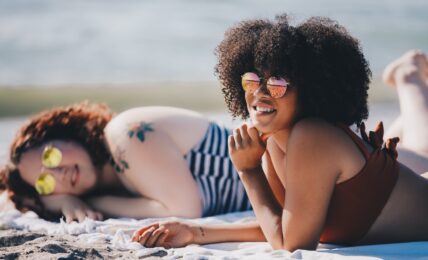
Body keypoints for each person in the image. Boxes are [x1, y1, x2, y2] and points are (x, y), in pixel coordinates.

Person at [132, 15, 428, 251]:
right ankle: (409, 78)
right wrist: (193, 232)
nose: (259, 94)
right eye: (251, 80)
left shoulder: (312, 137)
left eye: (277, 83)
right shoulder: (276, 140)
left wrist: (249, 171)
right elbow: (284, 224)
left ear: (311, 90)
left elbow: (292, 244)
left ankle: (409, 77)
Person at [0, 103, 252, 222]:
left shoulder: (124, 136)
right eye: (44, 183)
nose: (58, 173)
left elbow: (184, 211)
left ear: (66, 135)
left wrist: (87, 203)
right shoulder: (122, 183)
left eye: (50, 155)